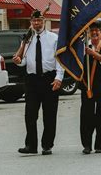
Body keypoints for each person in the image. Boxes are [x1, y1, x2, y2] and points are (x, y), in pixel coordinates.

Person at [13, 10, 63, 155]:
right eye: (34, 21)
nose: (37, 23)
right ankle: (31, 146)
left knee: (49, 115)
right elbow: (24, 61)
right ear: (31, 22)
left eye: (39, 21)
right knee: (30, 114)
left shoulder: (54, 38)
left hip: (49, 79)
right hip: (32, 80)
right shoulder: (27, 39)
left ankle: (47, 145)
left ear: (44, 21)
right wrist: (18, 62)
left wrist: (59, 78)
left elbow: (59, 60)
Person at [80, 21, 101, 154]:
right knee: (86, 115)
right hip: (87, 86)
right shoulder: (83, 46)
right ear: (88, 33)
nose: (94, 33)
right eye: (91, 30)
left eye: (97, 31)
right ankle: (87, 145)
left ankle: (100, 145)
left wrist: (93, 54)